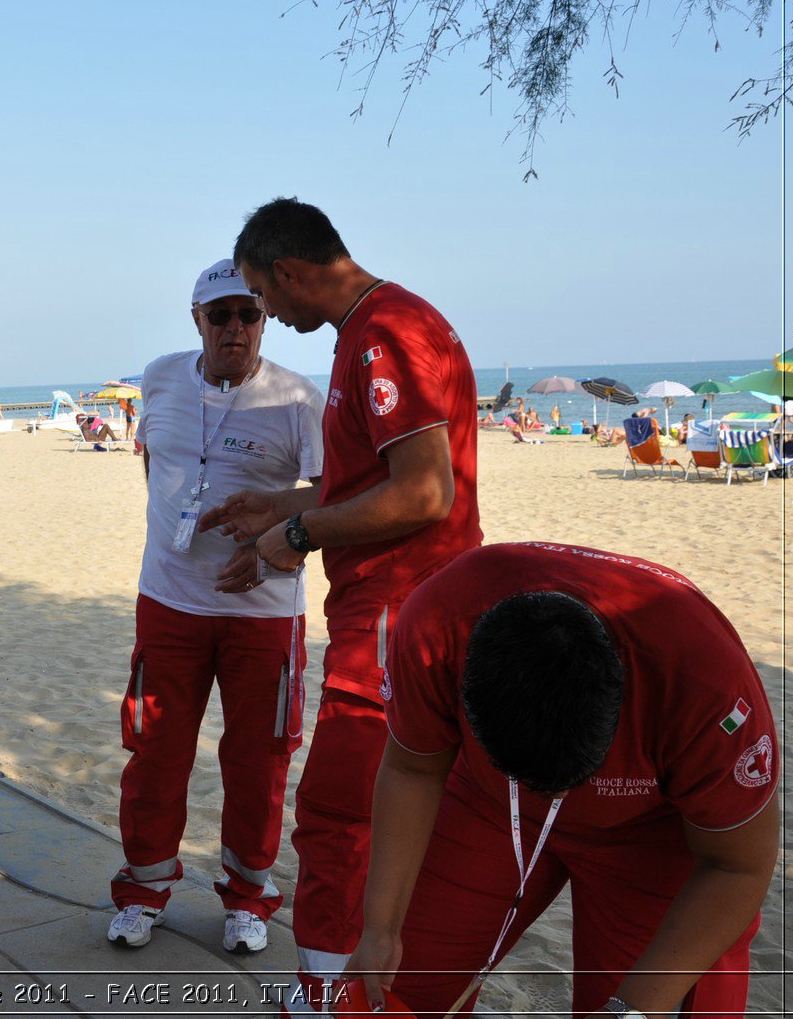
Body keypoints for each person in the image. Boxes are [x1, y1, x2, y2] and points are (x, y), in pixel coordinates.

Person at [201, 198, 481, 1007]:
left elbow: (426, 492)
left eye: (263, 295)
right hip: (398, 604)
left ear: (290, 271)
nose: (267, 316)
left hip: (398, 608)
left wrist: (301, 532)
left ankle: (328, 990)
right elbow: (373, 478)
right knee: (394, 813)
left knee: (338, 809)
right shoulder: (380, 326)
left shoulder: (383, 335)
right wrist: (281, 505)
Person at [346, 542, 778, 1018]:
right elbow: (412, 768)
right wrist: (380, 927)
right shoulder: (436, 623)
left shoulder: (707, 689)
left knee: (638, 1004)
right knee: (394, 988)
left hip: (651, 833)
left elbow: (738, 867)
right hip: (490, 803)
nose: (555, 798)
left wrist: (630, 1011)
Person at [107, 258, 322, 955]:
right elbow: (154, 460)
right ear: (196, 319)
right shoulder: (161, 376)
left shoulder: (296, 397)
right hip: (168, 601)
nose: (236, 327)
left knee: (259, 761)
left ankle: (249, 899)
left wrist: (270, 548)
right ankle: (143, 892)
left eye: (249, 313)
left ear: (264, 320)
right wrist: (172, 529)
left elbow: (332, 494)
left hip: (264, 609)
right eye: (220, 314)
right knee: (155, 749)